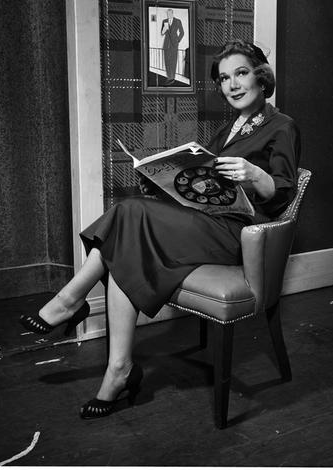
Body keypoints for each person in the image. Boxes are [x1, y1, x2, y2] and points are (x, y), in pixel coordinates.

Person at [20, 39, 301, 420]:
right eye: (223, 78)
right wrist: (161, 181)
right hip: (207, 221)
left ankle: (71, 301)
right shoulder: (227, 130)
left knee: (128, 214)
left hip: (239, 234)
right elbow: (203, 183)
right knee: (127, 238)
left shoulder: (282, 126)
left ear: (261, 77)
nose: (232, 85)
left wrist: (254, 173)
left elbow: (282, 194)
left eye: (241, 73)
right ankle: (118, 368)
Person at [160, 9, 184, 85]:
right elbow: (162, 33)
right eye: (168, 14)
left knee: (173, 61)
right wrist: (164, 29)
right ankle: (169, 77)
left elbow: (182, 32)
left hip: (174, 45)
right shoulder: (164, 21)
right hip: (166, 44)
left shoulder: (178, 21)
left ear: (172, 13)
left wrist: (177, 40)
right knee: (167, 61)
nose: (168, 15)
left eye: (170, 13)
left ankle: (172, 78)